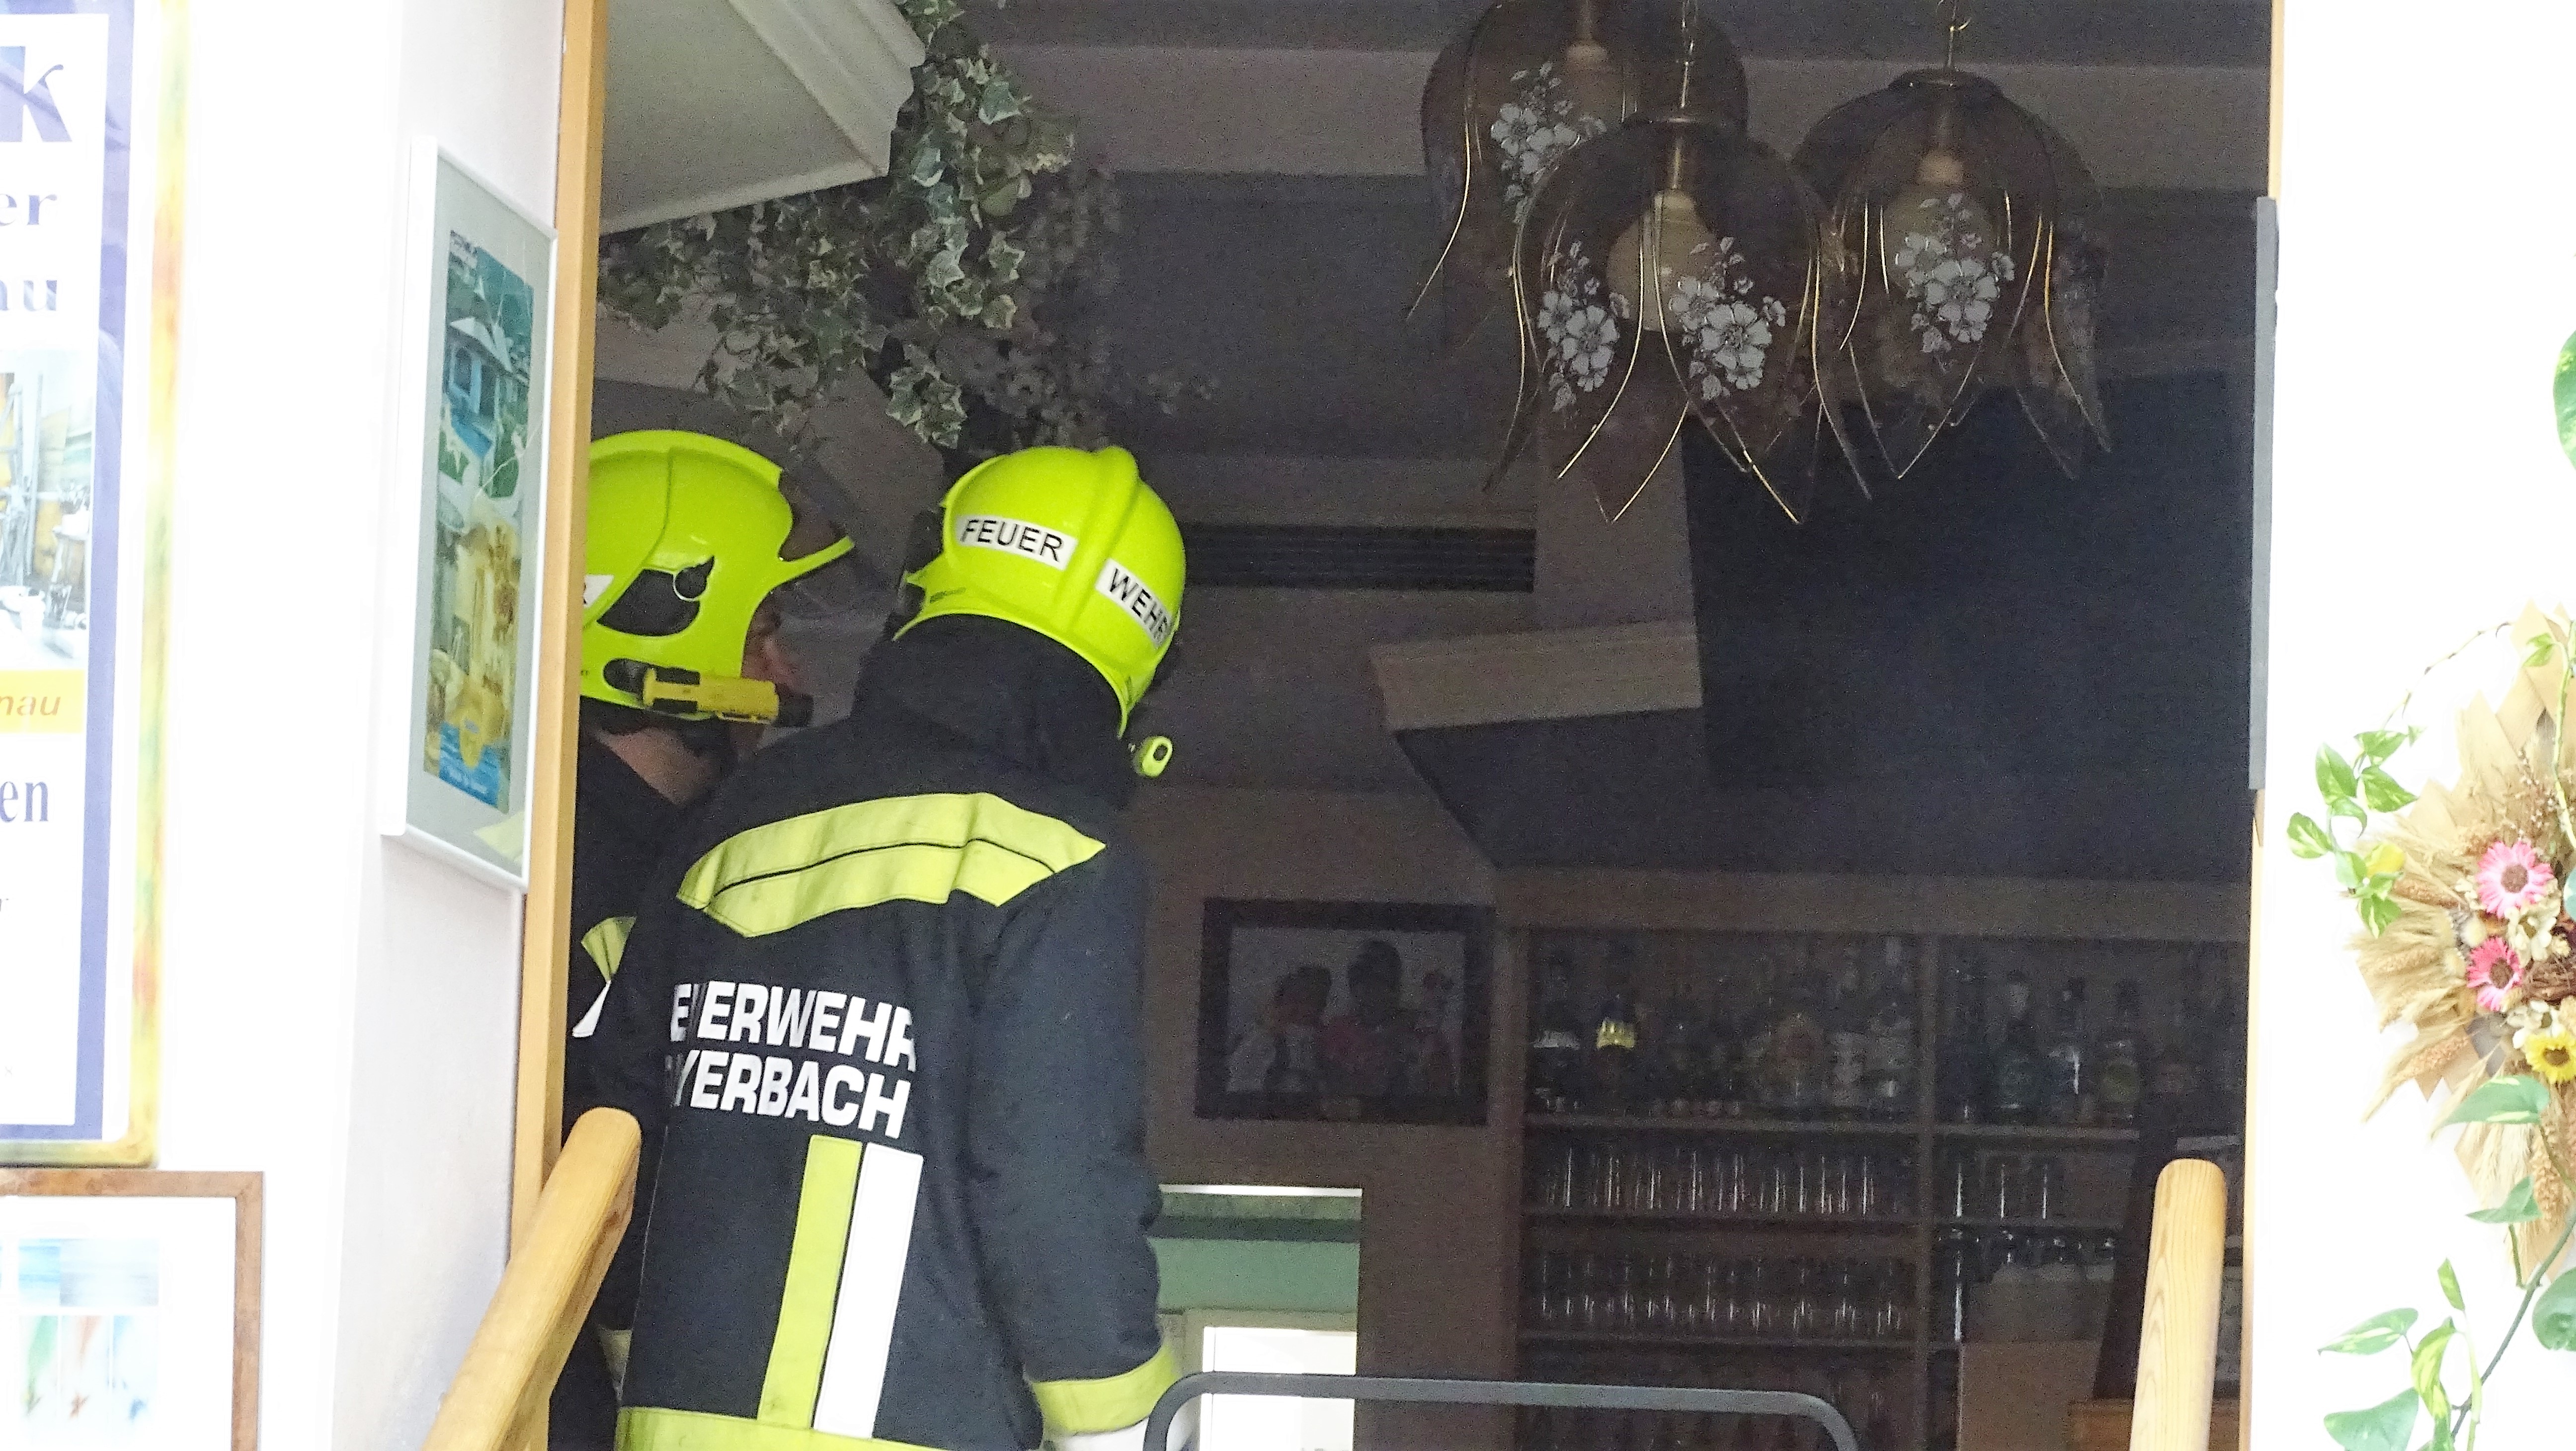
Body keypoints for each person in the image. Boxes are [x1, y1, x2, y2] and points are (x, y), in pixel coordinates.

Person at [590, 444, 1189, 1451]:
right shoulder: (1061, 857)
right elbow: (1054, 1185)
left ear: (928, 589)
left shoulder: (733, 818)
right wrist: (1128, 1427)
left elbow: (620, 1134)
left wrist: (632, 1353)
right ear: (1132, 667)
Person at [553, 430, 856, 1450]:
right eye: (762, 632)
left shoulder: (681, 861)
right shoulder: (547, 872)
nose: (785, 670)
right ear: (661, 636)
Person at [1319, 939, 1416, 1099]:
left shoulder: (1414, 1030)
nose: (1366, 990)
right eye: (1359, 981)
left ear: (1393, 986)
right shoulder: (1337, 1030)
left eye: (1376, 982)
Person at [1227, 964, 1331, 1097]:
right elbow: (1240, 1083)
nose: (1300, 1008)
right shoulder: (1258, 1042)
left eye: (1310, 1001)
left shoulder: (1322, 1043)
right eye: (1293, 1000)